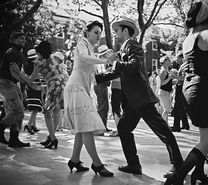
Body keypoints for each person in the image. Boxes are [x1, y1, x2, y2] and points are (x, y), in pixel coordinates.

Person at [95, 17, 183, 175]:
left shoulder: (133, 45)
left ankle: (179, 165)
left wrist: (114, 62)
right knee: (123, 128)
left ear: (126, 31)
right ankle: (134, 165)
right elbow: (118, 71)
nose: (114, 34)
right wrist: (95, 78)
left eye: (116, 31)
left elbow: (134, 66)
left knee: (163, 132)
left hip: (141, 99)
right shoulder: (124, 49)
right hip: (132, 102)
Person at [164, 2, 208, 185]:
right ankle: (177, 177)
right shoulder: (204, 33)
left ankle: (198, 174)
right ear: (207, 18)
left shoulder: (189, 37)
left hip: (189, 89)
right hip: (202, 90)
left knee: (203, 137)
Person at [63, 21, 113, 177]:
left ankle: (74, 160)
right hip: (75, 87)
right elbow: (84, 58)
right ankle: (97, 164)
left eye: (100, 33)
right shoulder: (82, 43)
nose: (98, 36)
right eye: (96, 32)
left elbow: (94, 77)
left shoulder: (92, 50)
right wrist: (105, 60)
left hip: (82, 89)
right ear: (88, 32)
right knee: (86, 126)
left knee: (82, 127)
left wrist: (115, 68)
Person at [11, 41, 69, 149]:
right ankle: (51, 137)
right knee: (57, 111)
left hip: (53, 86)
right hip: (63, 85)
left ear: (40, 53)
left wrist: (18, 72)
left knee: (47, 113)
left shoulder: (39, 64)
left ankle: (52, 139)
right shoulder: (54, 59)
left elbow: (29, 80)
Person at [0, 30, 31, 147]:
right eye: (21, 38)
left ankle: (14, 139)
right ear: (13, 40)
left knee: (20, 113)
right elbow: (14, 73)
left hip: (13, 83)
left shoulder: (18, 52)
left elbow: (18, 72)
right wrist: (27, 82)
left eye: (24, 38)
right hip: (6, 83)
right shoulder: (12, 52)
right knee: (17, 110)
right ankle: (1, 128)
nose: (24, 40)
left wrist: (23, 80)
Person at [23, 49, 42, 135]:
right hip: (36, 88)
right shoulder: (36, 65)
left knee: (34, 107)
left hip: (29, 88)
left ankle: (34, 125)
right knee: (36, 108)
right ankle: (29, 125)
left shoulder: (26, 67)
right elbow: (37, 76)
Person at [171, 52, 189, 132]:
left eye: (177, 58)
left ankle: (176, 126)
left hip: (181, 88)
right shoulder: (183, 65)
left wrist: (174, 77)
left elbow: (184, 77)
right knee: (181, 107)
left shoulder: (184, 65)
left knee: (177, 108)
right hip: (180, 87)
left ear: (182, 58)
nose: (176, 59)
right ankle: (185, 125)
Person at [158, 55, 176, 124]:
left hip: (165, 92)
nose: (169, 61)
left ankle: (165, 125)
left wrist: (173, 82)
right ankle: (163, 125)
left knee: (165, 110)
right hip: (164, 92)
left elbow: (167, 83)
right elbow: (162, 83)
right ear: (164, 61)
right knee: (167, 110)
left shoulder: (166, 70)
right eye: (168, 60)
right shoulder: (163, 71)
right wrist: (169, 78)